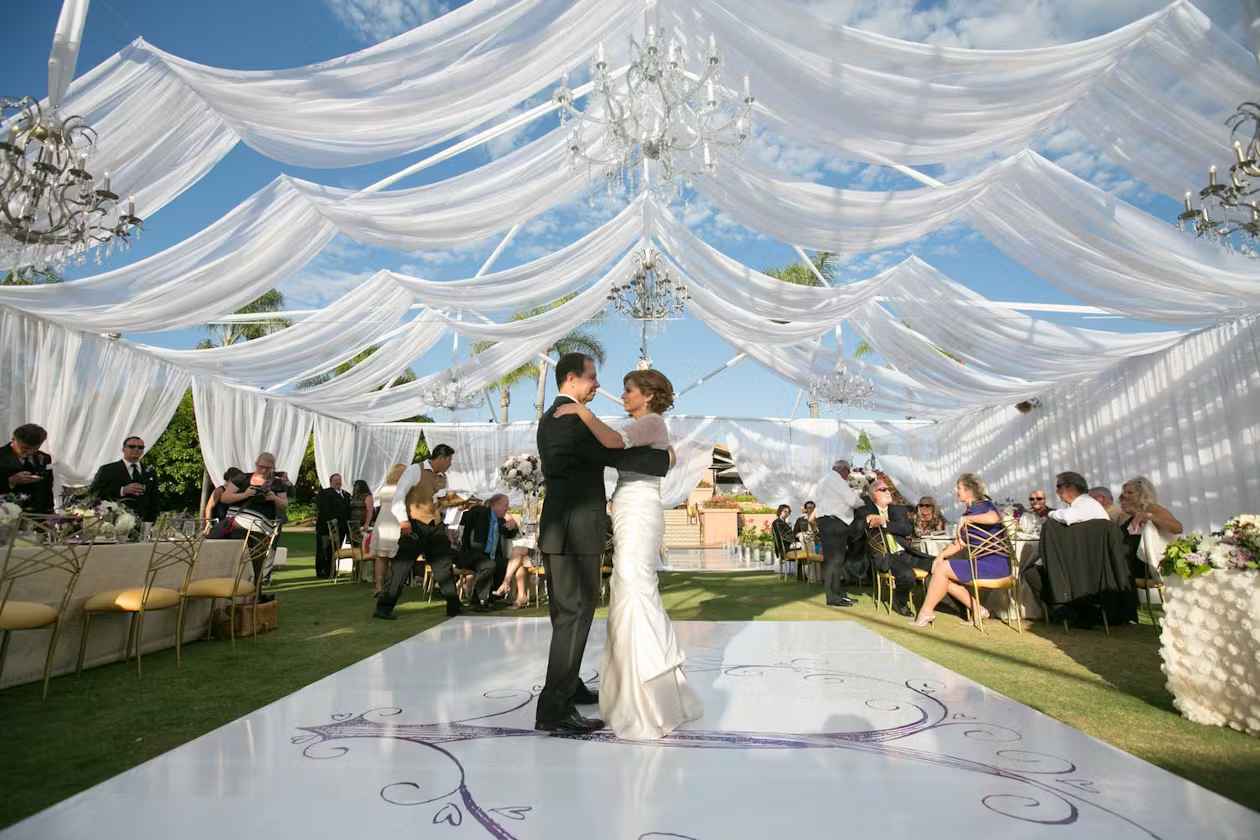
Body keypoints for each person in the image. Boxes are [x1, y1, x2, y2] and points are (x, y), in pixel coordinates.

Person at [554, 366, 699, 741]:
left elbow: (613, 444)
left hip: (639, 509)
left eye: (629, 389)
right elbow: (622, 450)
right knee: (627, 586)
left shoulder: (651, 422)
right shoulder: (648, 427)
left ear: (648, 395)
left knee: (635, 586)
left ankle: (646, 694)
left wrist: (583, 412)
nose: (623, 395)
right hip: (628, 507)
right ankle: (638, 689)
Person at [534, 353, 673, 736]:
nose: (598, 385)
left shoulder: (557, 417)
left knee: (569, 614)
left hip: (563, 528)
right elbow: (614, 451)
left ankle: (569, 686)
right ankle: (554, 710)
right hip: (574, 528)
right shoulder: (569, 419)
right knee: (574, 614)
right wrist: (664, 458)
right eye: (592, 378)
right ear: (572, 379)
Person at [911, 473, 1010, 627]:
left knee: (943, 569)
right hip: (981, 564)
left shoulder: (984, 506)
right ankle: (978, 609)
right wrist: (941, 555)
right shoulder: (969, 512)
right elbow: (960, 543)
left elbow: (994, 519)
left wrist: (966, 520)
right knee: (941, 573)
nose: (956, 491)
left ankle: (926, 612)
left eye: (959, 488)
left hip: (994, 564)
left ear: (969, 491)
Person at [376, 444, 459, 620]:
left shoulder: (444, 477)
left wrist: (454, 503)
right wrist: (403, 520)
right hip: (415, 525)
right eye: (449, 460)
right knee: (401, 568)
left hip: (435, 526)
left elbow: (437, 502)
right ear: (441, 457)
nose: (450, 464)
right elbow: (399, 495)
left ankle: (454, 606)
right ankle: (383, 608)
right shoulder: (415, 470)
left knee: (444, 566)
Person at [810, 459, 863, 607]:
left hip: (826, 521)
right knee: (834, 561)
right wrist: (863, 504)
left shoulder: (823, 480)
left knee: (834, 561)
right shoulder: (836, 479)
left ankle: (837, 593)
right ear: (843, 469)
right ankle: (833, 597)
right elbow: (852, 500)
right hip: (834, 522)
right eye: (848, 472)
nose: (848, 476)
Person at [458, 494, 519, 611]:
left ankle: (491, 598)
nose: (507, 509)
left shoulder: (500, 520)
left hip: (490, 556)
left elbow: (510, 533)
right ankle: (477, 600)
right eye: (505, 506)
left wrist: (514, 525)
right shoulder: (480, 512)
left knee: (505, 563)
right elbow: (464, 518)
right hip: (473, 554)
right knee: (489, 565)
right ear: (495, 505)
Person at [1118, 476, 1183, 582]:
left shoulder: (1153, 509)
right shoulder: (1129, 515)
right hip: (1132, 573)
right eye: (1124, 493)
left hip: (1149, 573)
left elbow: (1177, 528)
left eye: (1130, 493)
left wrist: (1149, 516)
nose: (1125, 496)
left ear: (1143, 494)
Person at [368, 464, 408, 598]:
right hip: (395, 523)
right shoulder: (403, 490)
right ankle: (392, 586)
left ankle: (379, 586)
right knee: (395, 557)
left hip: (382, 523)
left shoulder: (385, 490)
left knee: (381, 556)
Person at [0, 424, 55, 514]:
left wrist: (50, 514)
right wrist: (10, 481)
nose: (30, 452)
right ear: (13, 439)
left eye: (36, 448)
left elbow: (47, 487)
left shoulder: (44, 458)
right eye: (25, 448)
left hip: (39, 517)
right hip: (7, 517)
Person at [314, 474, 351, 579]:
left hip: (341, 528)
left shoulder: (346, 495)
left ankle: (332, 570)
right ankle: (322, 570)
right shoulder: (325, 493)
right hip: (326, 528)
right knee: (324, 549)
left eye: (339, 480)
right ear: (331, 482)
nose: (338, 482)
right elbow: (324, 508)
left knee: (335, 550)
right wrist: (331, 519)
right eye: (335, 480)